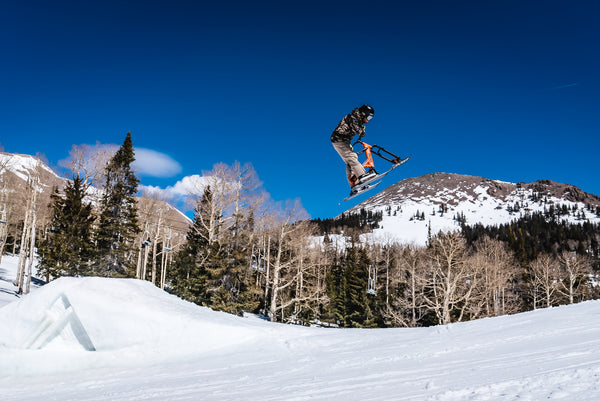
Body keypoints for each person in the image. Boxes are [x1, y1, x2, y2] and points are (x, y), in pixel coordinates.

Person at [331, 104, 376, 190]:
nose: (368, 121)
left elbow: (361, 130)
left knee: (352, 159)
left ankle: (354, 184)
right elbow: (361, 132)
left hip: (345, 141)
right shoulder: (352, 118)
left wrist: (362, 125)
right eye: (368, 118)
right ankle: (362, 176)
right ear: (363, 114)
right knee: (351, 158)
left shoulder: (357, 119)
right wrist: (361, 128)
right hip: (338, 140)